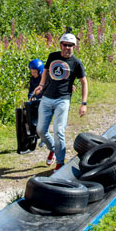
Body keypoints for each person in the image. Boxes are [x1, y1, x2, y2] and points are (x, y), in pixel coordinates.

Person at [32, 32, 88, 170]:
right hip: (46, 98)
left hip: (62, 100)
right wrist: (41, 85)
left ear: (74, 46)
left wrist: (83, 103)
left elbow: (84, 83)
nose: (67, 48)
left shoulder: (76, 63)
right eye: (65, 45)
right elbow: (45, 71)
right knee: (40, 130)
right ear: (60, 45)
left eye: (70, 45)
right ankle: (53, 150)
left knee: (59, 131)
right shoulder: (52, 56)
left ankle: (60, 164)